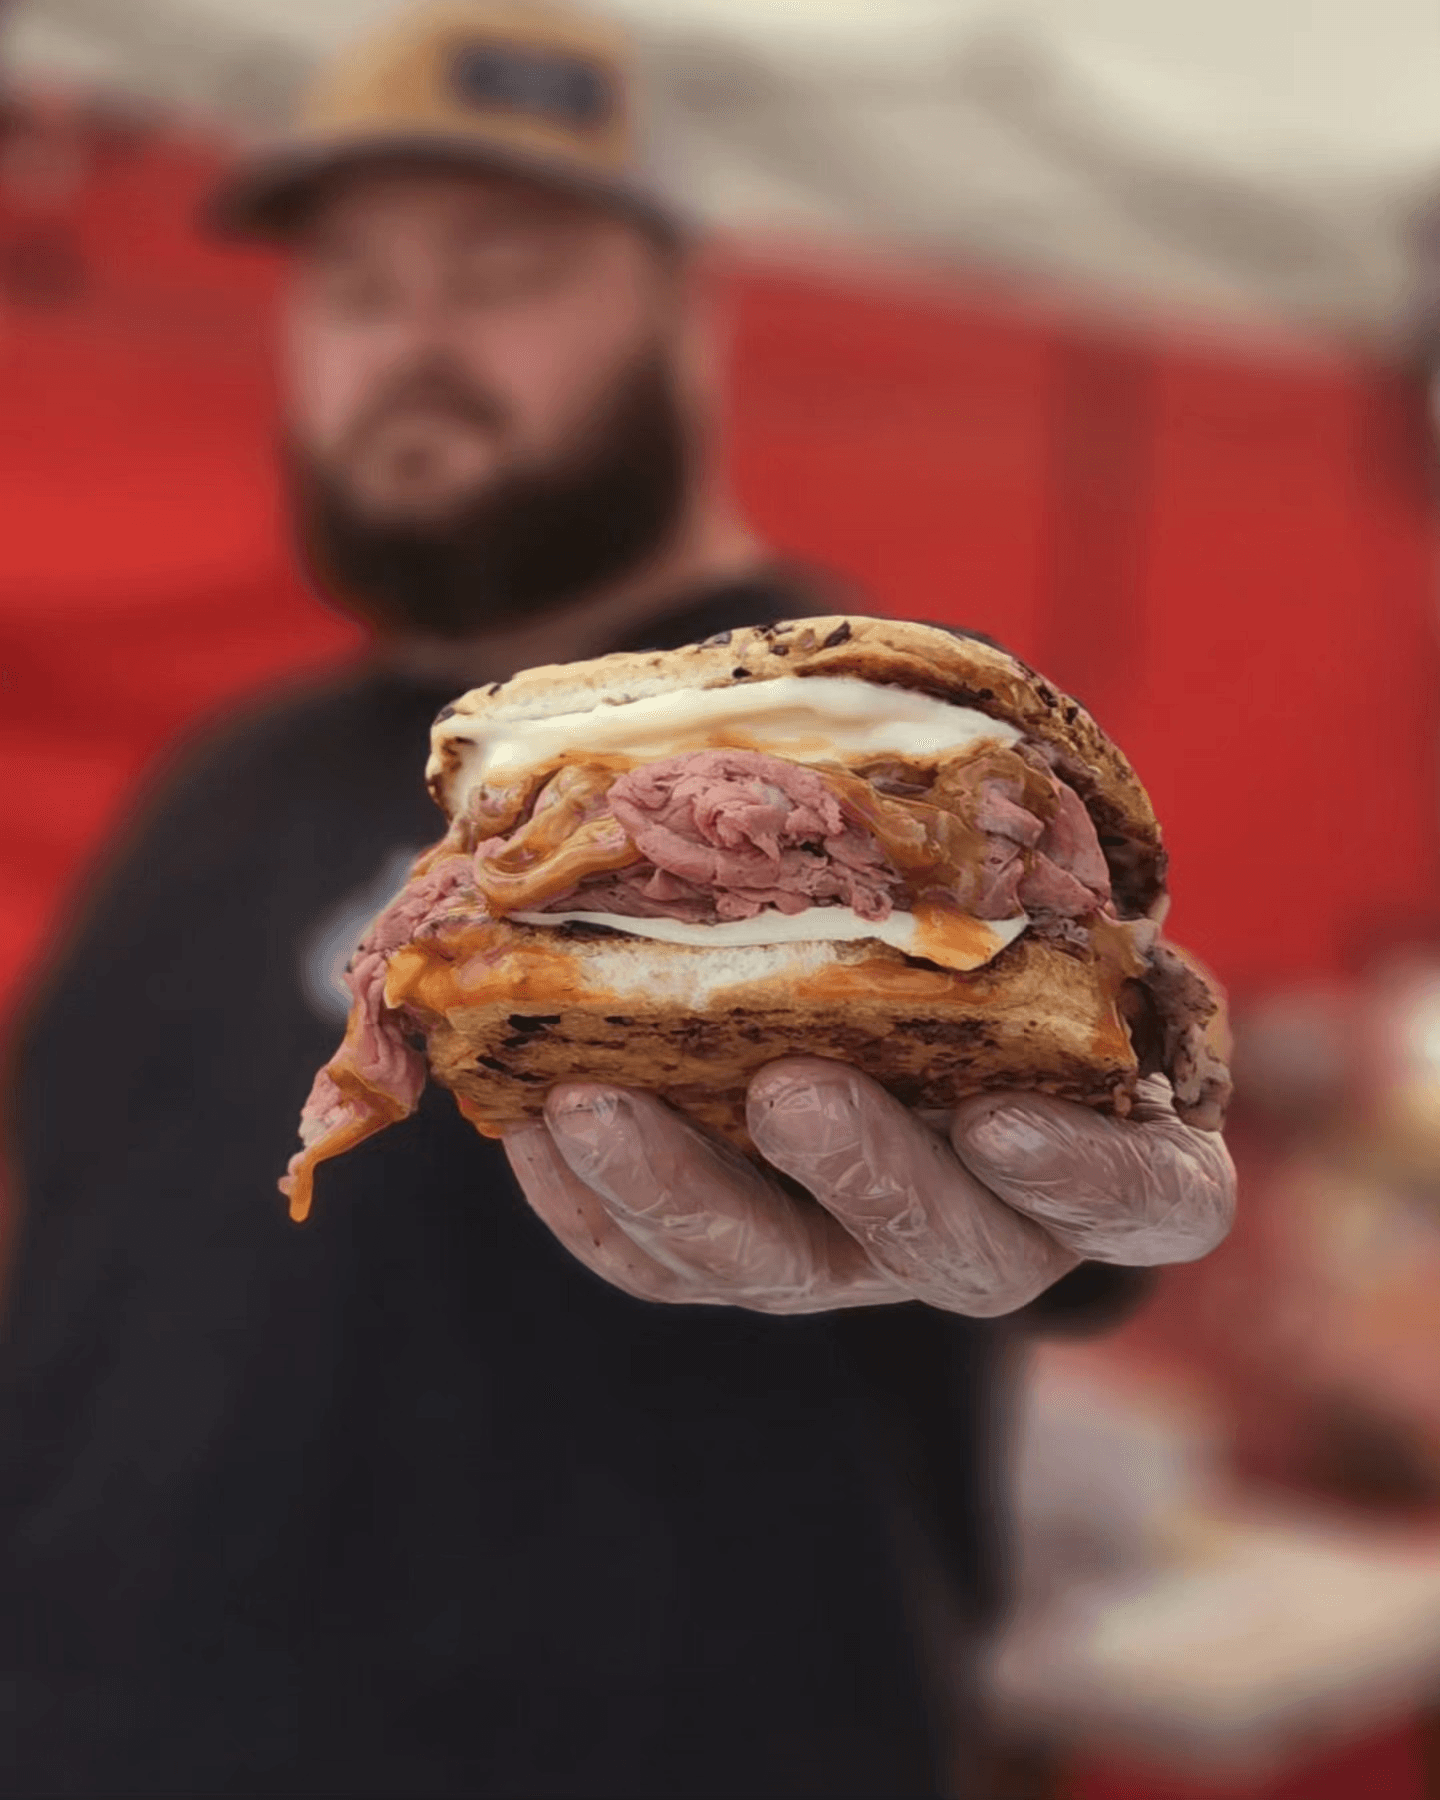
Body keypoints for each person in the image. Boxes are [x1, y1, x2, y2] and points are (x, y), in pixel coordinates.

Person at [0, 4, 1234, 1796]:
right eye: (353, 289)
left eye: (502, 269)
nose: (414, 340)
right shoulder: (216, 775)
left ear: (686, 316)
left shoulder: (904, 736)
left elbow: (1084, 1184)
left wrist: (1120, 1149)